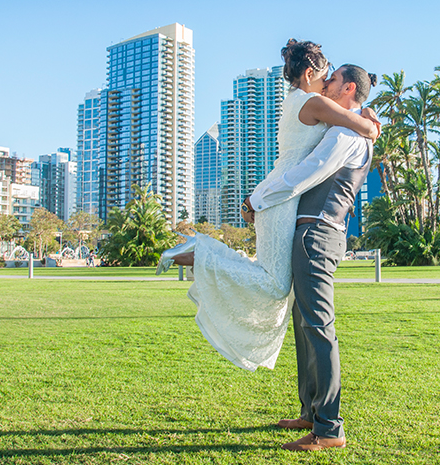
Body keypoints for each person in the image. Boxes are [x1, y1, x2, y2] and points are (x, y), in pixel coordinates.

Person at [156, 40, 379, 372]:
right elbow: (359, 125)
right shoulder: (315, 102)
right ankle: (200, 255)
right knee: (274, 284)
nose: (328, 80)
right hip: (280, 199)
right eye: (326, 75)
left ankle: (202, 251)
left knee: (267, 274)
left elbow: (347, 119)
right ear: (310, 73)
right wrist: (372, 123)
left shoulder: (293, 101)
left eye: (333, 78)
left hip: (274, 193)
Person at [242, 64, 376, 451]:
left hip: (317, 235)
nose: (325, 85)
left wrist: (257, 198)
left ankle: (329, 428)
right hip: (314, 234)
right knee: (306, 327)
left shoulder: (344, 135)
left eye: (332, 81)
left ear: (348, 87)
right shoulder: (350, 127)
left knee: (318, 327)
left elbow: (306, 172)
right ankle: (310, 411)